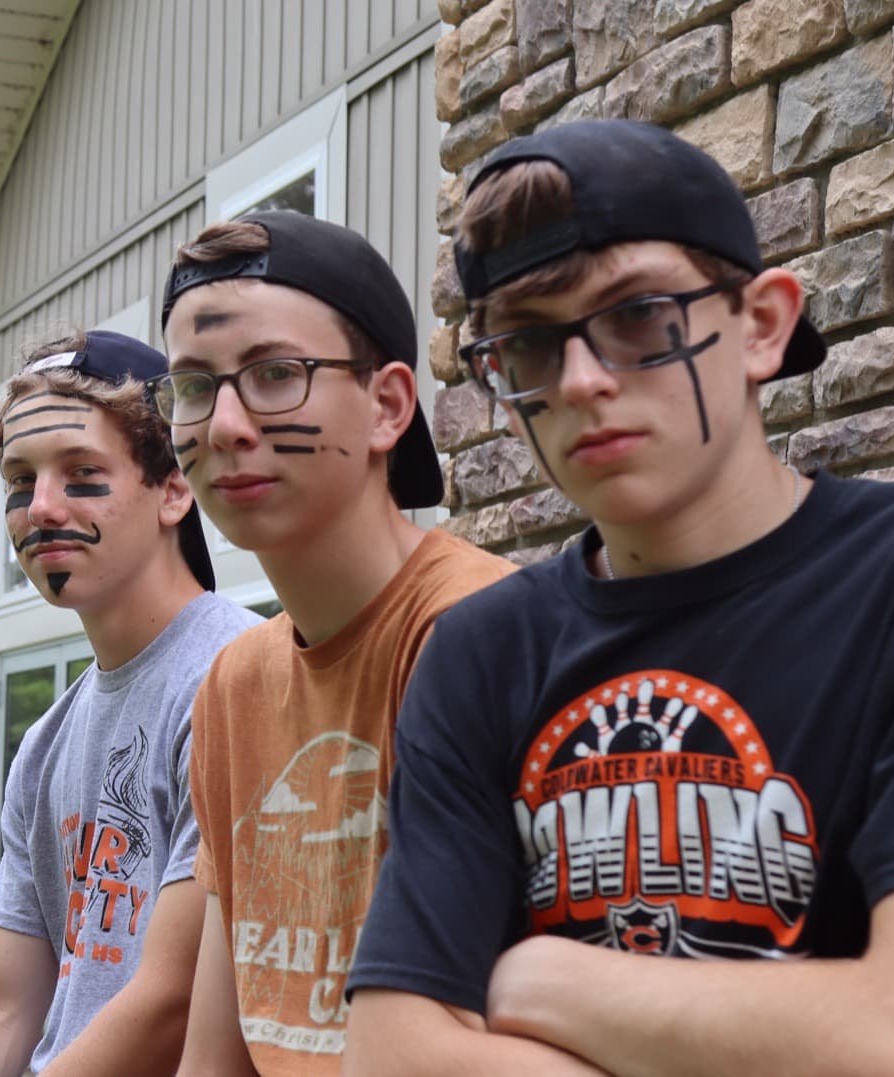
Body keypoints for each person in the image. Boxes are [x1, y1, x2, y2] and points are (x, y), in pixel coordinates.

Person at [343, 118, 894, 1075]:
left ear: (763, 325)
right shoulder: (482, 649)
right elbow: (393, 1056)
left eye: (640, 314)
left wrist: (541, 984)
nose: (581, 379)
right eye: (526, 345)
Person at [153, 210, 515, 1075]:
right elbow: (218, 1053)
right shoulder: (234, 684)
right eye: (194, 387)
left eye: (276, 374)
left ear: (389, 404)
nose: (226, 425)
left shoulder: (480, 634)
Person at [0, 330, 260, 1075]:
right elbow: (2, 1006)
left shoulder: (236, 678)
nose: (39, 507)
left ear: (175, 490)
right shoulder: (43, 745)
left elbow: (172, 999)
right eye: (18, 478)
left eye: (80, 472)